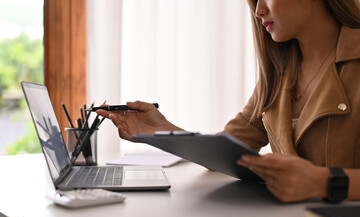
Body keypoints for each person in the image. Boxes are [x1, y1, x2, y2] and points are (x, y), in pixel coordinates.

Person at [97, 0, 360, 203]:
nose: (258, 11)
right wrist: (160, 130)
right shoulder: (280, 74)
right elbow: (226, 150)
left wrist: (324, 182)